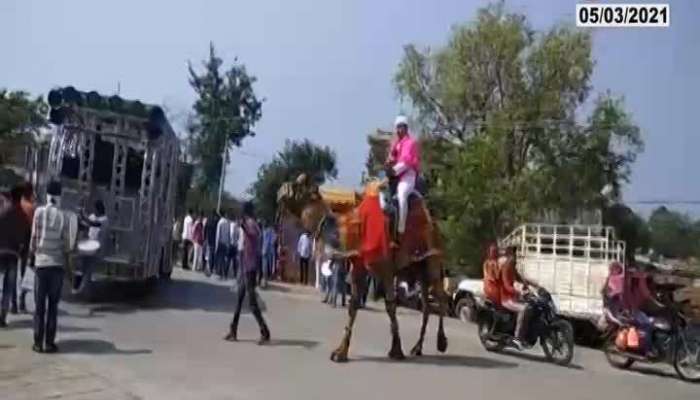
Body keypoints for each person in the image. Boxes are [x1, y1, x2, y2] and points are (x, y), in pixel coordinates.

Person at [30, 181, 74, 353]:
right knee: (53, 307)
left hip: (41, 265)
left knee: (39, 306)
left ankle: (37, 343)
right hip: (57, 266)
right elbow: (67, 244)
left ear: (47, 194)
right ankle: (49, 343)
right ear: (60, 195)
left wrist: (33, 255)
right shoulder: (64, 216)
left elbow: (34, 238)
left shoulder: (39, 213)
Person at [225, 202, 270, 344]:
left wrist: (244, 226)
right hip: (245, 266)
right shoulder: (246, 223)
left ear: (246, 211)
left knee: (252, 303)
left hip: (250, 268)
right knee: (239, 300)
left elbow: (254, 235)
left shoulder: (251, 224)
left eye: (242, 210)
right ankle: (233, 330)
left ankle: (265, 331)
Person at [385, 115, 420, 246]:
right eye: (397, 128)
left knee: (401, 195)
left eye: (401, 127)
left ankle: (400, 230)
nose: (398, 130)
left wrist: (393, 171)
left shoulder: (410, 143)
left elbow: (406, 162)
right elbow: (391, 158)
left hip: (407, 176)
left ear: (405, 129)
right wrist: (389, 162)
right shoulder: (397, 144)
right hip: (395, 177)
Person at [0, 185, 30, 327]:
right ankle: (3, 316)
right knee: (8, 286)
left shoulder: (3, 212)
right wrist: (24, 259)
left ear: (11, 197)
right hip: (13, 255)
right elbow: (26, 240)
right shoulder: (23, 217)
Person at [74, 200, 108, 293]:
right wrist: (80, 218)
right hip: (88, 246)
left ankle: (85, 289)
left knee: (88, 269)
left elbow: (94, 224)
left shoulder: (104, 220)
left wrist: (83, 215)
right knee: (81, 267)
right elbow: (86, 224)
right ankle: (79, 288)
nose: (94, 211)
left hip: (96, 248)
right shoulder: (93, 217)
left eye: (95, 209)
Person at [499, 246, 530, 350]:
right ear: (509, 255)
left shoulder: (512, 266)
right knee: (523, 309)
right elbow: (507, 286)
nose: (516, 256)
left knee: (530, 305)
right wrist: (519, 291)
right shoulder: (506, 267)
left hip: (513, 297)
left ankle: (525, 335)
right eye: (514, 254)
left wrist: (532, 285)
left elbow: (520, 278)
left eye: (515, 254)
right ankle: (517, 338)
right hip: (506, 299)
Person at [15, 183, 35, 313]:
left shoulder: (17, 204)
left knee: (11, 272)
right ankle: (21, 300)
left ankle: (12, 302)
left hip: (14, 241)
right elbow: (33, 227)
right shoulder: (31, 207)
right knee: (24, 273)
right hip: (26, 241)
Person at [214, 211, 231, 279]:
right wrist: (228, 243)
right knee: (224, 258)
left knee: (220, 258)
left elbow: (218, 234)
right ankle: (223, 273)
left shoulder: (220, 222)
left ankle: (219, 272)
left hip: (220, 242)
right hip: (225, 243)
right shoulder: (228, 223)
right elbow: (229, 234)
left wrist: (216, 245)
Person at [203, 209, 219, 276]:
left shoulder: (208, 220)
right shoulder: (216, 221)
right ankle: (211, 268)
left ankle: (208, 267)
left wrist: (204, 238)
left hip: (208, 239)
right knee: (212, 254)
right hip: (214, 240)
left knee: (208, 253)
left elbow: (205, 229)